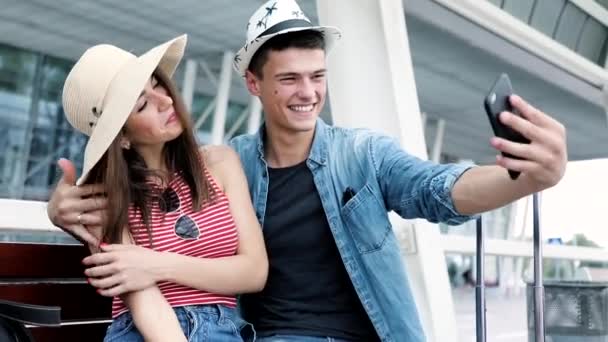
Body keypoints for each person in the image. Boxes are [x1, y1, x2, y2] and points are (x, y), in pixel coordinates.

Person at [48, 1, 567, 341]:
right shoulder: (236, 162)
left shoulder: (359, 154)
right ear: (253, 83)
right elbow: (136, 201)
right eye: (290, 78)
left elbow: (436, 189)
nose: (308, 93)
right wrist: (59, 206)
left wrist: (523, 179)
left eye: (317, 76)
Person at [58, 34, 266, 341]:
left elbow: (254, 271)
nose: (166, 101)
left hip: (221, 328)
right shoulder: (102, 197)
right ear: (122, 137)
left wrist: (155, 264)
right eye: (143, 104)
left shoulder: (220, 162)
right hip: (144, 332)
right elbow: (145, 304)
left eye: (158, 85)